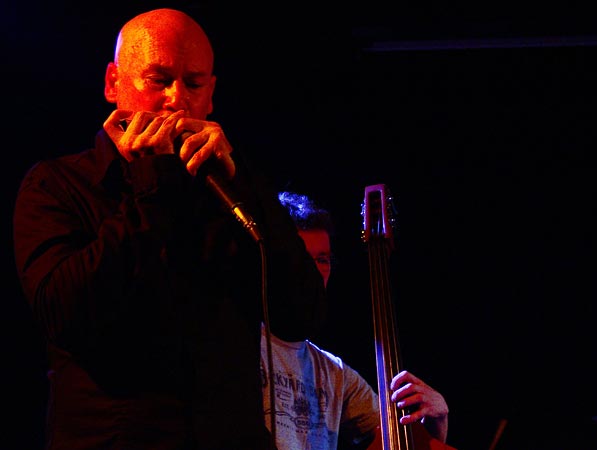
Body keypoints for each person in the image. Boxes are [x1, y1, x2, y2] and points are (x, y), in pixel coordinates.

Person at [12, 8, 327, 450]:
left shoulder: (232, 186)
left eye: (193, 84)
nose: (176, 99)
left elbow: (301, 315)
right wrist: (153, 187)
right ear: (113, 83)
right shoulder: (57, 184)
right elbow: (65, 315)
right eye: (158, 80)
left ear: (210, 95)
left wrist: (242, 184)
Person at [261, 191, 455, 449]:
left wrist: (436, 419)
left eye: (322, 260)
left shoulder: (335, 373)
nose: (315, 273)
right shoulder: (238, 344)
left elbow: (398, 441)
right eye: (304, 259)